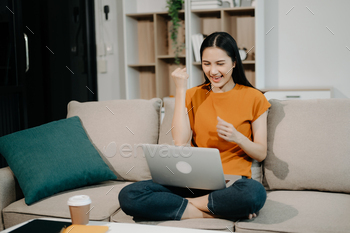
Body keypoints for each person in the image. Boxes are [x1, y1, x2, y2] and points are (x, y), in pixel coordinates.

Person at [118, 31, 270, 221]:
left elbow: (261, 153)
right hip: (191, 181)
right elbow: (180, 141)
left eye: (220, 64)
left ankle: (180, 206)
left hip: (231, 185)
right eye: (206, 64)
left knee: (253, 194)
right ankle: (213, 213)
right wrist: (180, 89)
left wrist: (237, 137)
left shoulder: (254, 98)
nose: (213, 71)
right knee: (130, 195)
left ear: (234, 62)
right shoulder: (193, 94)